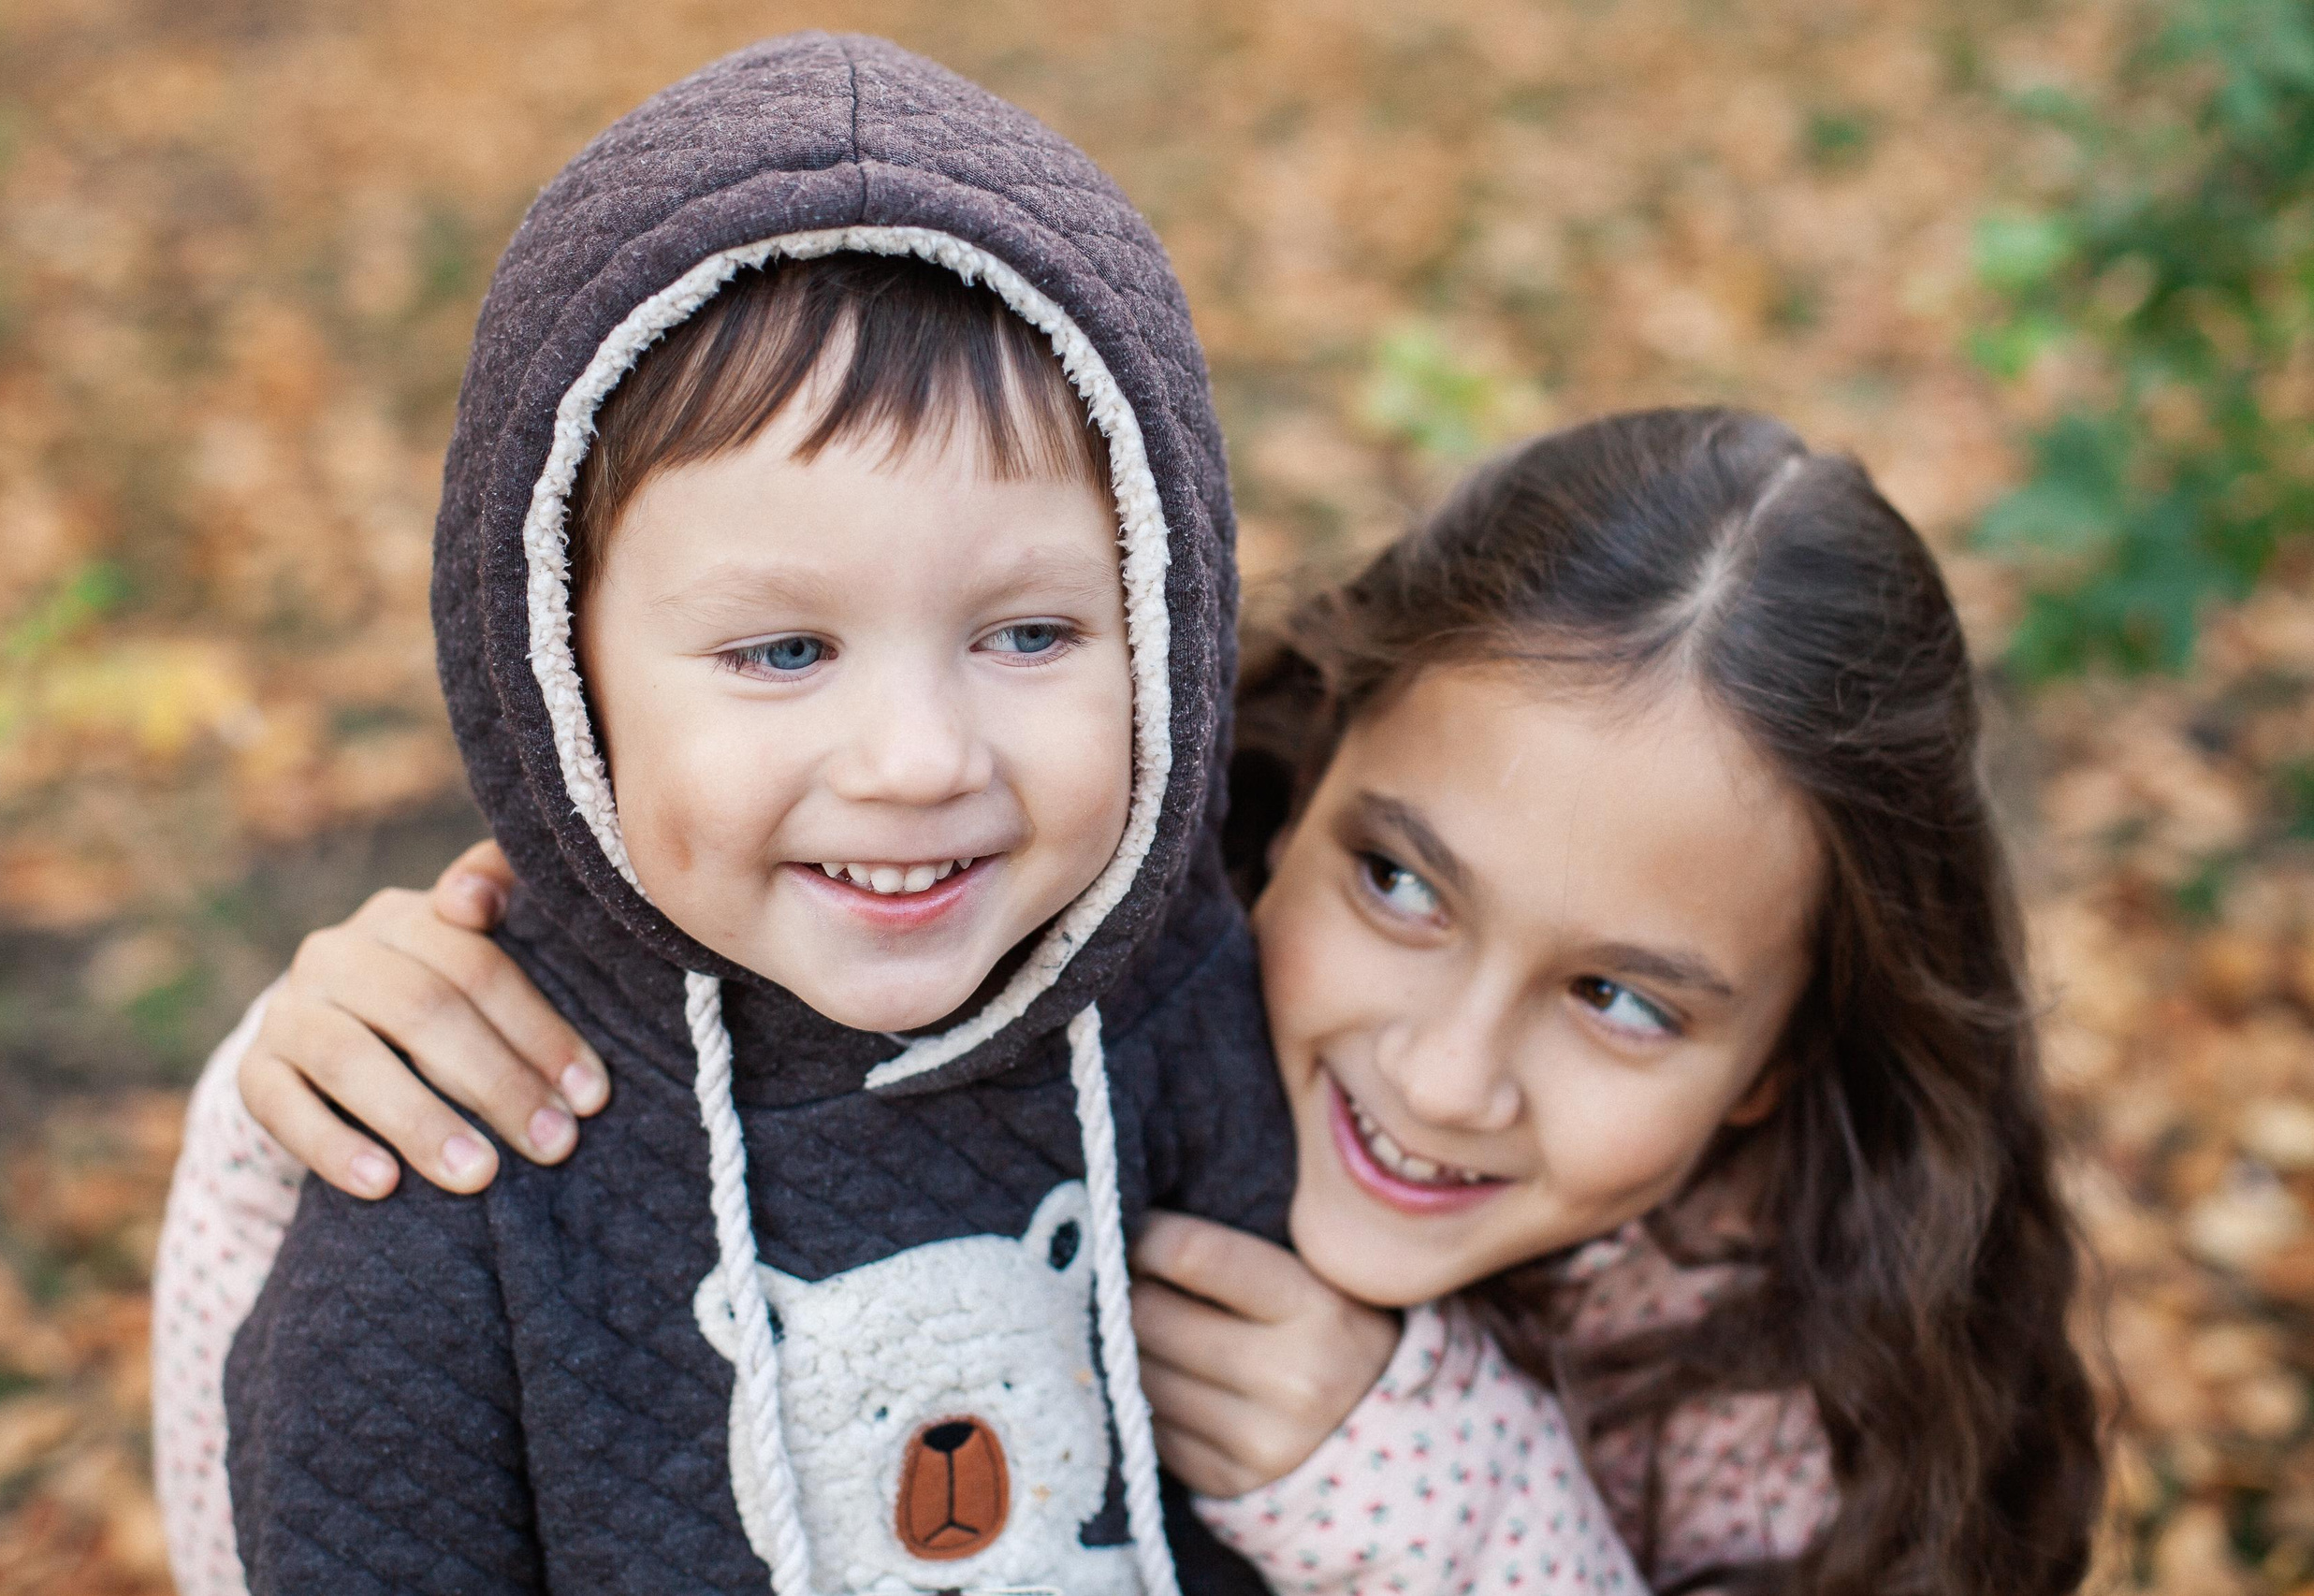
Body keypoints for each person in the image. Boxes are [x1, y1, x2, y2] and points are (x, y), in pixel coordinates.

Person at [154, 32, 1643, 1596]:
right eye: (783, 650)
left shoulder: (1223, 1028)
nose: (920, 758)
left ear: (1161, 618)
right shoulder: (462, 1151)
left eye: (1029, 634)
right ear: (559, 670)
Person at [184, 406, 2108, 1594]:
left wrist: (1431, 1499)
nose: (1443, 1076)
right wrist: (306, 1088)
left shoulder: (1801, 1374)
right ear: (1305, 764)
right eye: (1396, 879)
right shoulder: (1061, 997)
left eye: (1618, 998)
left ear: (1779, 1061)